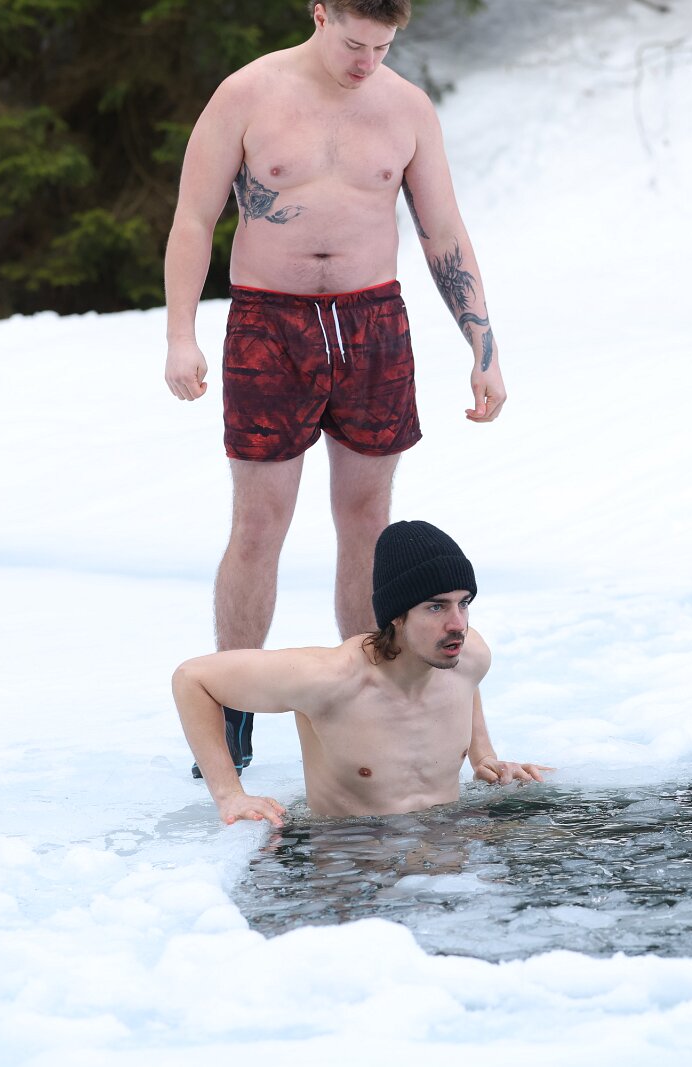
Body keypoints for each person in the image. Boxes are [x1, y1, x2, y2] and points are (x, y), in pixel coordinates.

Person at [162, 0, 506, 773]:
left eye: (382, 47)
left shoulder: (406, 109)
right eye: (354, 43)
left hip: (372, 324)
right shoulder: (247, 94)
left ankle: (370, 698)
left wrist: (483, 347)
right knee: (260, 523)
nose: (365, 62)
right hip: (268, 322)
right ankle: (235, 710)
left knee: (368, 521)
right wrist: (181, 334)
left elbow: (443, 231)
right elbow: (193, 219)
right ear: (320, 14)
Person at [175, 521, 550, 825]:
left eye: (463, 603)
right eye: (436, 607)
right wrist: (229, 794)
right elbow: (192, 678)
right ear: (396, 616)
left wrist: (484, 756)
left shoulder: (469, 656)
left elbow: (469, 680)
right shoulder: (331, 678)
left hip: (449, 848)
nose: (457, 624)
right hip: (352, 859)